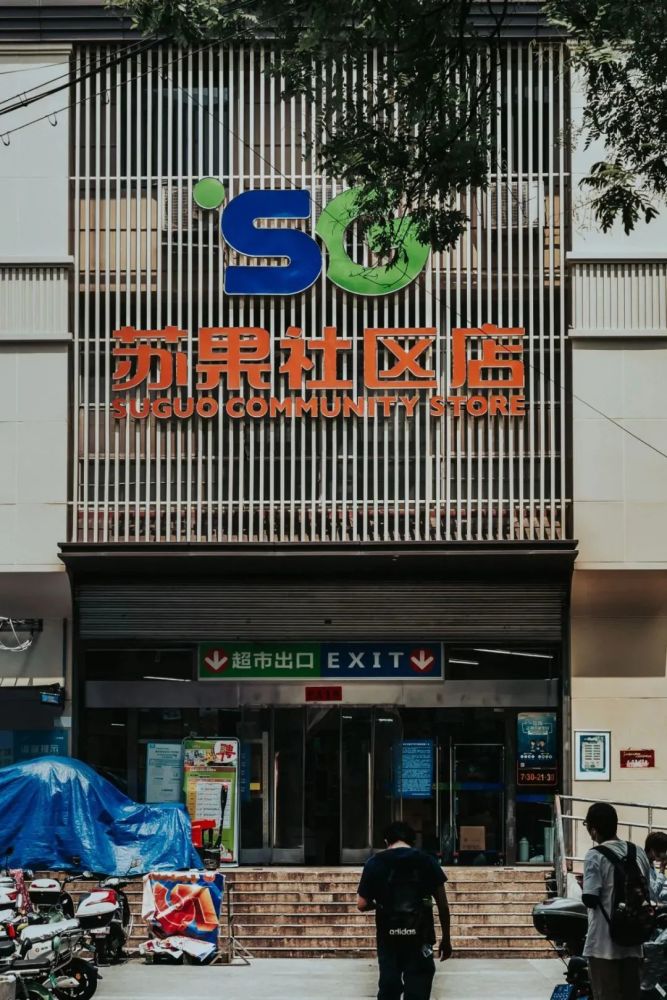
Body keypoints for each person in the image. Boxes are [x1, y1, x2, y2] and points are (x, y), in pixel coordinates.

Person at [357, 821, 452, 1000]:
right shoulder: (427, 861)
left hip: (389, 937)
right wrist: (446, 939)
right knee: (419, 988)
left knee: (389, 986)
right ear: (412, 841)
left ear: (387, 841)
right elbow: (443, 905)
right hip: (421, 936)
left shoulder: (375, 863)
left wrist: (380, 905)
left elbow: (361, 904)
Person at [581, 801, 651, 1000]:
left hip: (603, 945)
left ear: (594, 830)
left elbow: (590, 898)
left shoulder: (594, 855)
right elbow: (647, 891)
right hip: (634, 942)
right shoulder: (638, 852)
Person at [644, 831, 667, 904]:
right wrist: (662, 869)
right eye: (663, 850)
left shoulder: (650, 862)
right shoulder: (644, 865)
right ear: (652, 850)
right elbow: (654, 893)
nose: (664, 853)